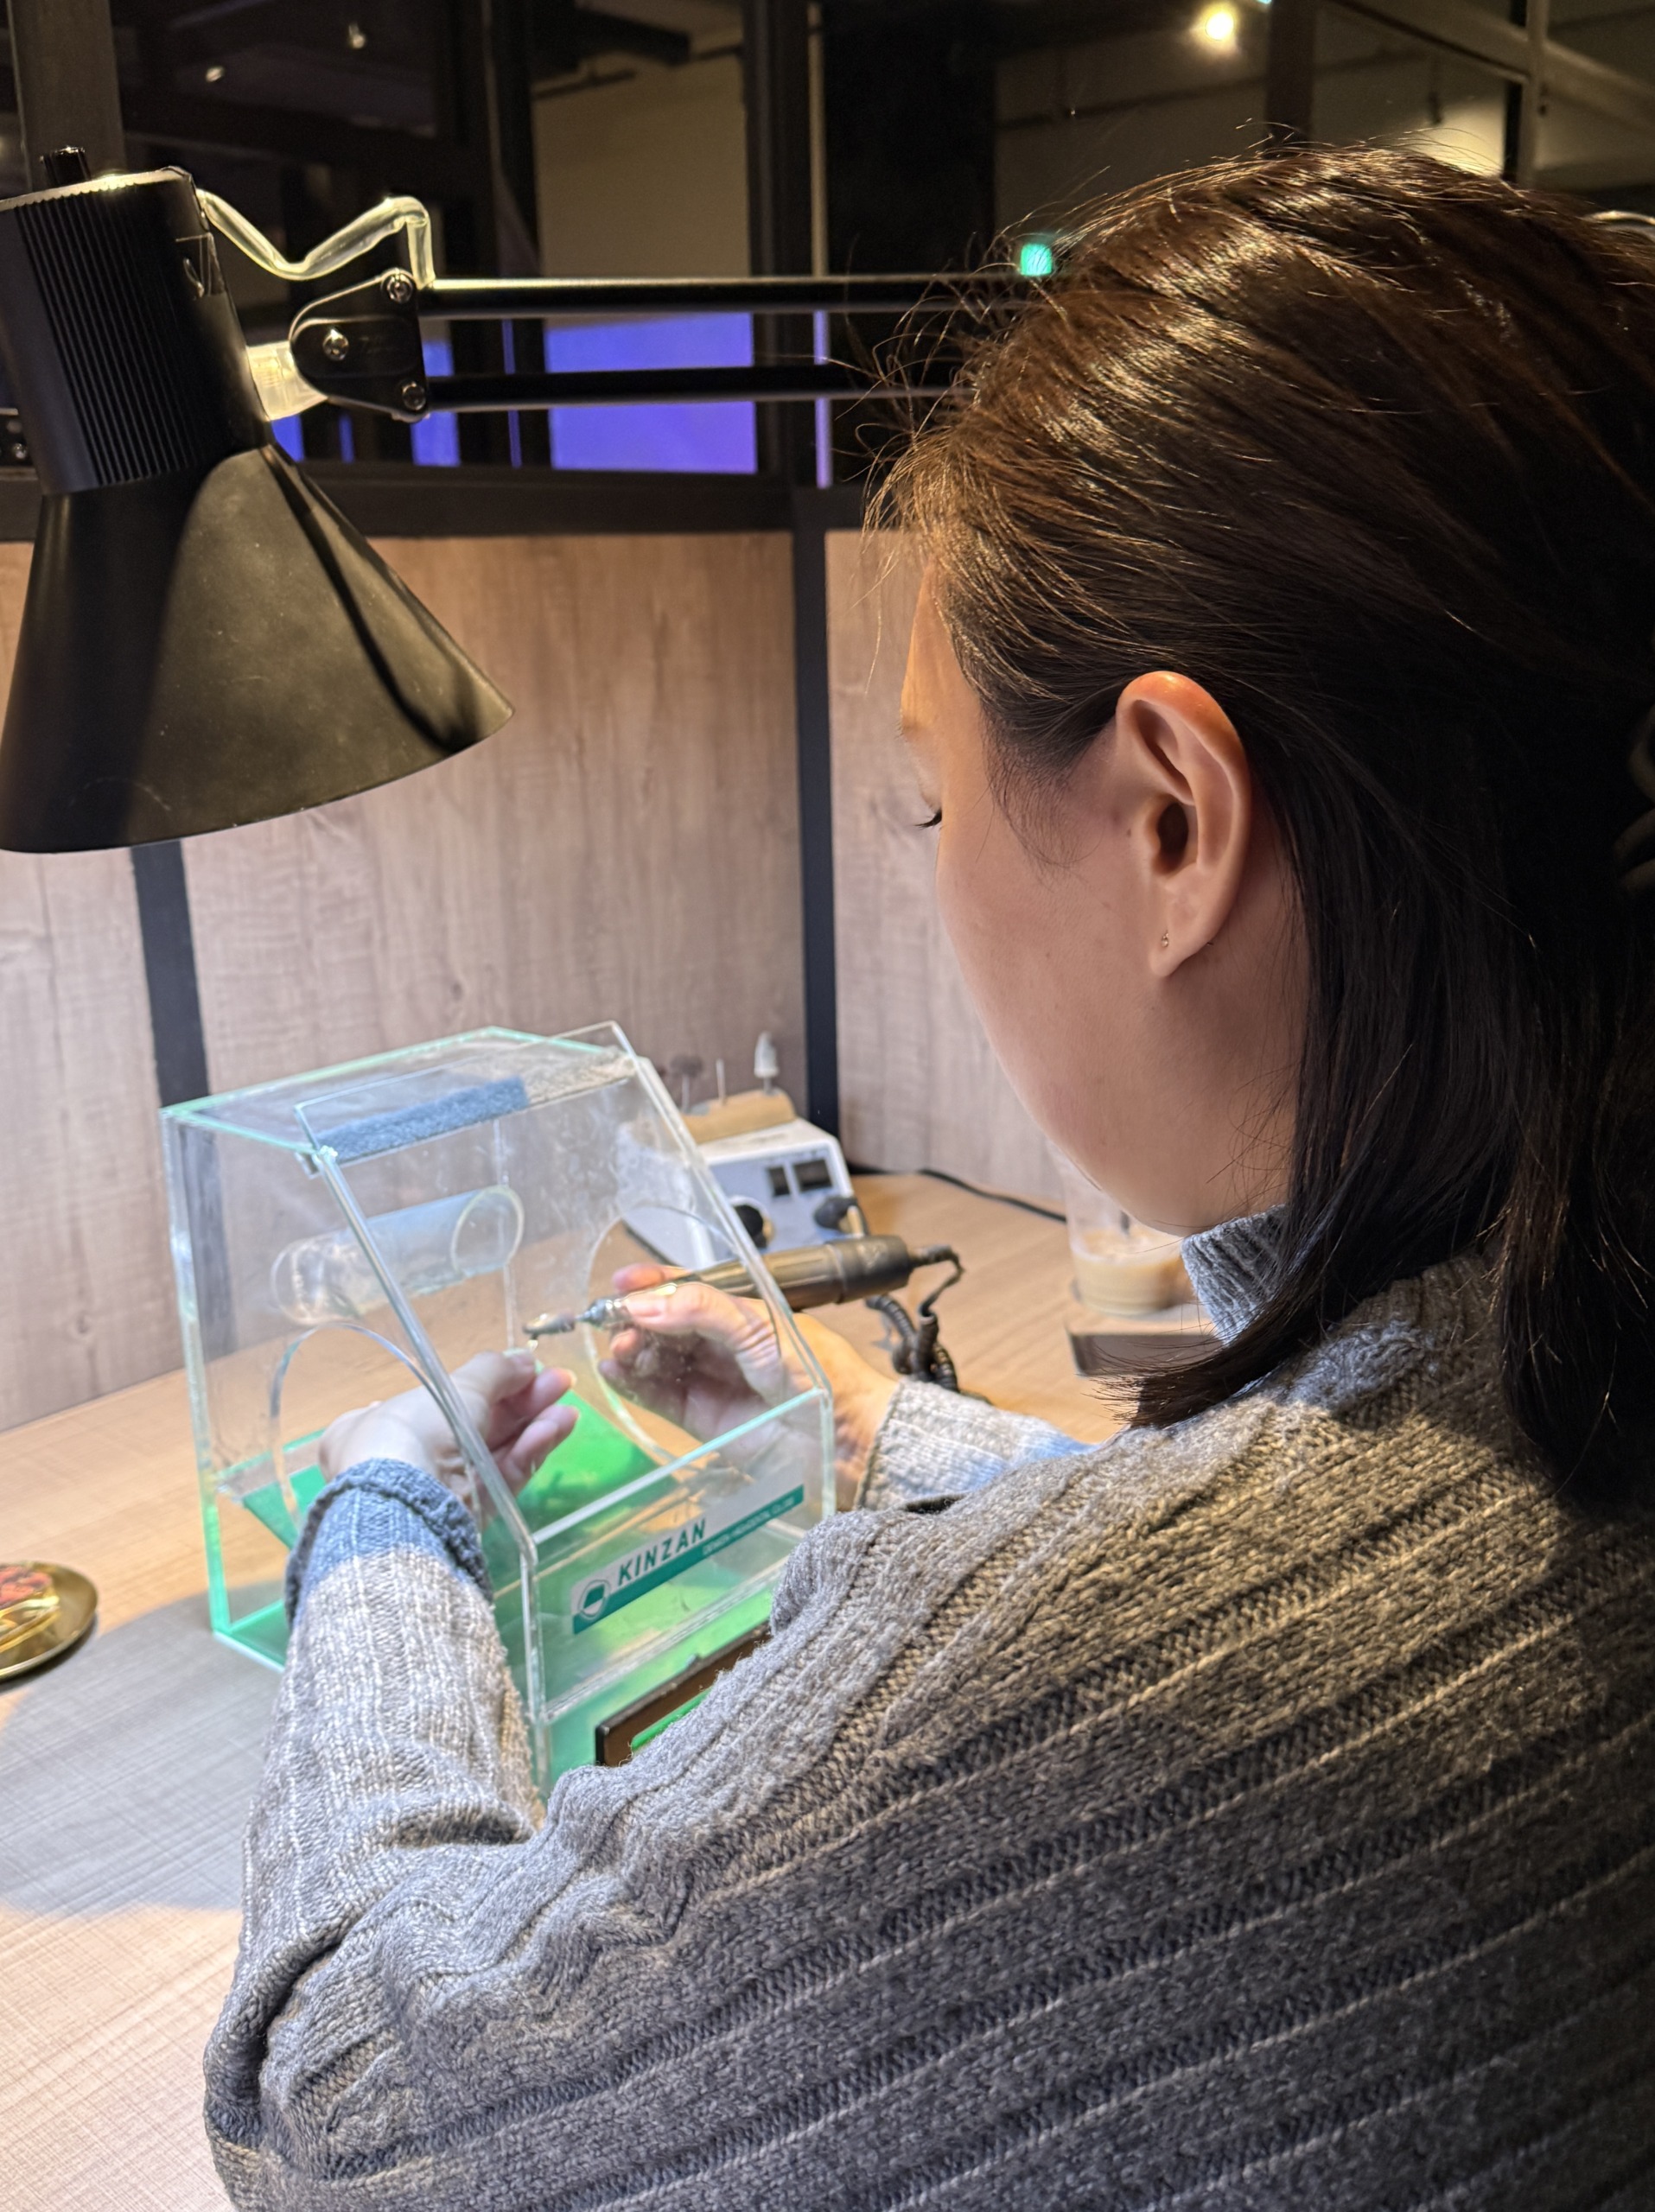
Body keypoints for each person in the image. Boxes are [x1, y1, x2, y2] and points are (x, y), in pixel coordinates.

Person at [206, 148, 1655, 2209]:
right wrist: (878, 1430)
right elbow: (1333, 1563)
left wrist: (384, 1520)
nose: (932, 867)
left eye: (927, 799)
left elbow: (335, 2110)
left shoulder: (1075, 1696)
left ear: (1171, 817)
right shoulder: (1565, 1351)